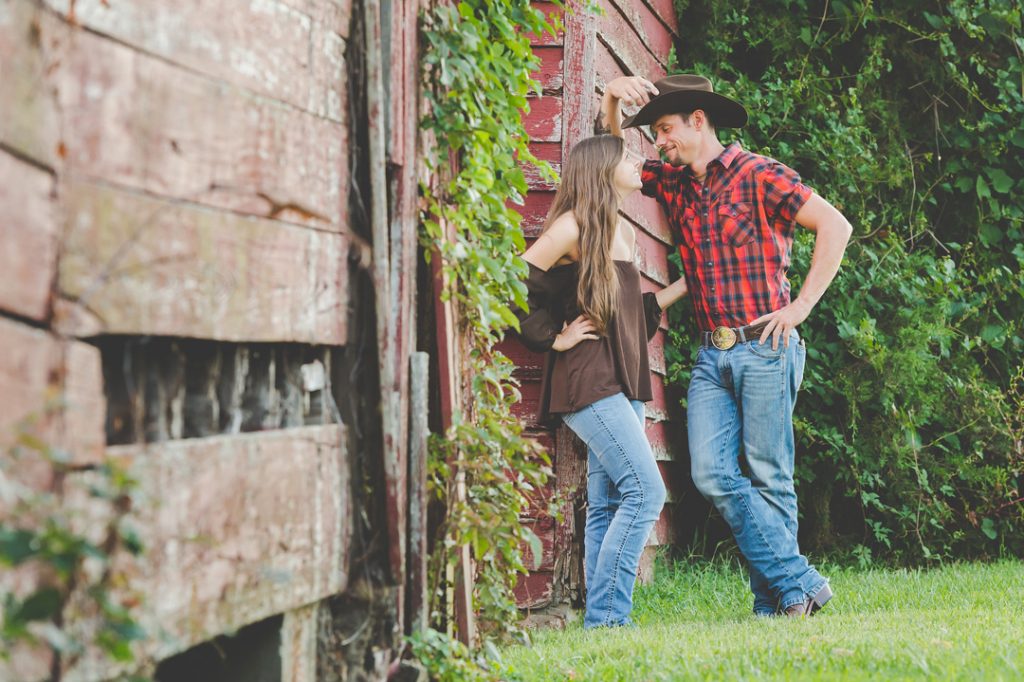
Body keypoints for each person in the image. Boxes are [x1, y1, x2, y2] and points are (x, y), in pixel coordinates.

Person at [599, 73, 852, 617]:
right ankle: (800, 580)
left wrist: (800, 307)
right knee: (711, 473)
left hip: (766, 344)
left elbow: (836, 226)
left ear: (698, 120)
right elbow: (609, 168)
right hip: (711, 354)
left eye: (665, 128)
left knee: (770, 476)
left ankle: (780, 603)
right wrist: (612, 100)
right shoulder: (672, 181)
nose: (659, 141)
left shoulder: (758, 174)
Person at [515, 134, 689, 628]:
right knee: (646, 492)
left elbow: (634, 315)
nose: (638, 162)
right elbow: (514, 282)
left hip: (624, 381)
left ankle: (600, 621)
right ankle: (609, 619)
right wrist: (554, 338)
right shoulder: (572, 227)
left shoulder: (623, 234)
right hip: (588, 382)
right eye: (627, 156)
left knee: (610, 500)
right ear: (601, 169)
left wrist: (688, 281)